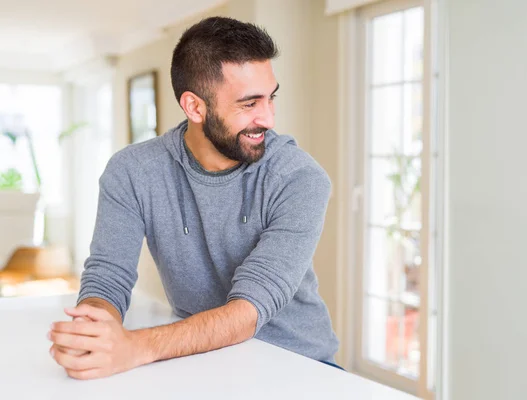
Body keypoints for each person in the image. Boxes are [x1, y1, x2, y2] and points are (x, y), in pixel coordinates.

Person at [47, 16, 340, 380]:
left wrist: (135, 347)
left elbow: (246, 313)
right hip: (198, 360)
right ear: (195, 107)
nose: (267, 118)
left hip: (302, 367)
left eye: (270, 97)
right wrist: (93, 331)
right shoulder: (132, 172)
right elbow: (108, 277)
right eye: (249, 104)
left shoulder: (299, 179)